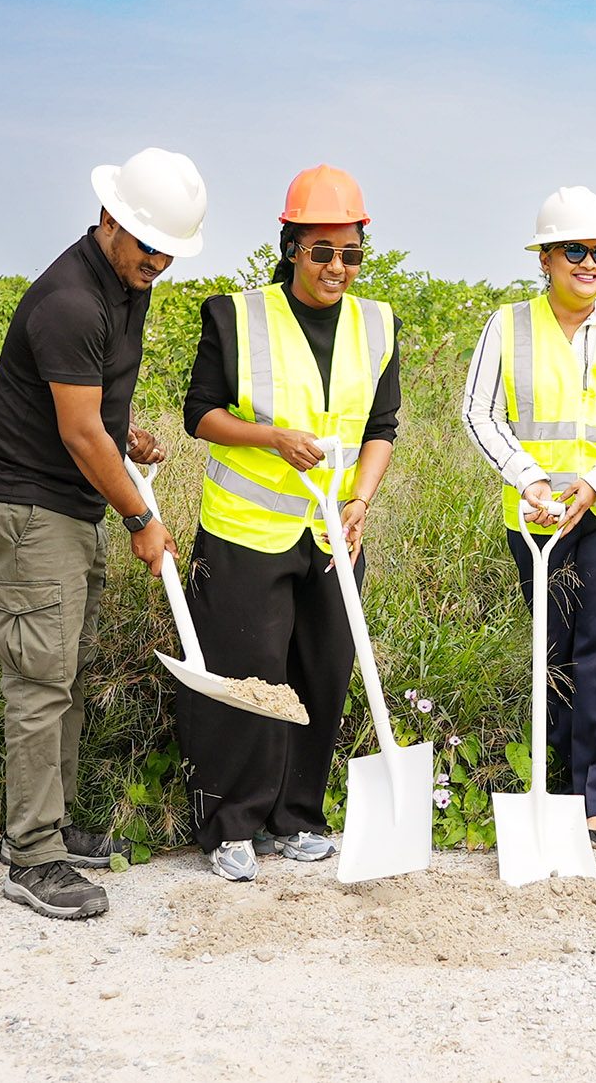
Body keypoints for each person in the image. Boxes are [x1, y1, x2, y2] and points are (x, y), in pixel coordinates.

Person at [0, 146, 206, 919]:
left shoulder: (125, 283)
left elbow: (87, 406)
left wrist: (123, 432)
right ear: (109, 221)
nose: (158, 262)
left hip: (70, 504)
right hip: (32, 505)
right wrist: (141, 515)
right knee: (39, 682)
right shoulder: (71, 299)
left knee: (61, 672)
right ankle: (31, 856)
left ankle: (53, 830)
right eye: (147, 245)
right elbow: (73, 432)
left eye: (169, 250)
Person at [179, 165, 401, 881]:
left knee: (322, 671)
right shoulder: (234, 315)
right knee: (251, 677)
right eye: (322, 252)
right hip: (246, 531)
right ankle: (230, 824)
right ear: (291, 247)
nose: (338, 268)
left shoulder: (377, 323)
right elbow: (200, 416)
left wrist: (360, 500)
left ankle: (295, 817)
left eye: (350, 253)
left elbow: (381, 427)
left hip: (333, 536)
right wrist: (272, 438)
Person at [462, 186, 596, 846]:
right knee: (554, 648)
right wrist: (529, 478)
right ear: (546, 258)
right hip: (540, 515)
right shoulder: (507, 325)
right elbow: (479, 412)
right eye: (575, 250)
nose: (590, 263)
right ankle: (558, 790)